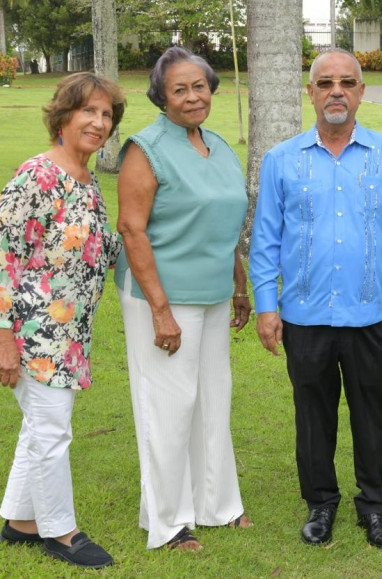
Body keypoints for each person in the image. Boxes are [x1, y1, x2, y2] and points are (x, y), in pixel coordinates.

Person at [249, 48, 382, 551]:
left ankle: (374, 508)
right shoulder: (283, 160)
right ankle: (320, 503)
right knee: (313, 414)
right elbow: (266, 242)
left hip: (369, 311)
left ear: (362, 92)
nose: (336, 92)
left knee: (371, 411)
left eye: (347, 82)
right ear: (311, 92)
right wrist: (266, 305)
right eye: (325, 83)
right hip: (304, 314)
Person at [0, 72, 126, 570]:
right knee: (51, 429)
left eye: (106, 115)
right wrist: (2, 339)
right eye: (89, 111)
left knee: (39, 426)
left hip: (70, 335)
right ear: (62, 117)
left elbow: (102, 251)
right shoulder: (36, 176)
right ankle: (61, 533)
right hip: (30, 331)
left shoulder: (88, 180)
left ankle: (20, 522)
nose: (99, 122)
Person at [114, 46, 252, 552]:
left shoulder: (217, 143)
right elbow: (131, 229)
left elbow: (226, 223)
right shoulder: (144, 149)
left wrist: (239, 286)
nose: (192, 96)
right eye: (180, 89)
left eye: (199, 86)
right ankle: (168, 521)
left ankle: (217, 504)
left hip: (214, 293)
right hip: (162, 297)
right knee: (168, 406)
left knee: (213, 398)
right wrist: (159, 310)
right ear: (161, 97)